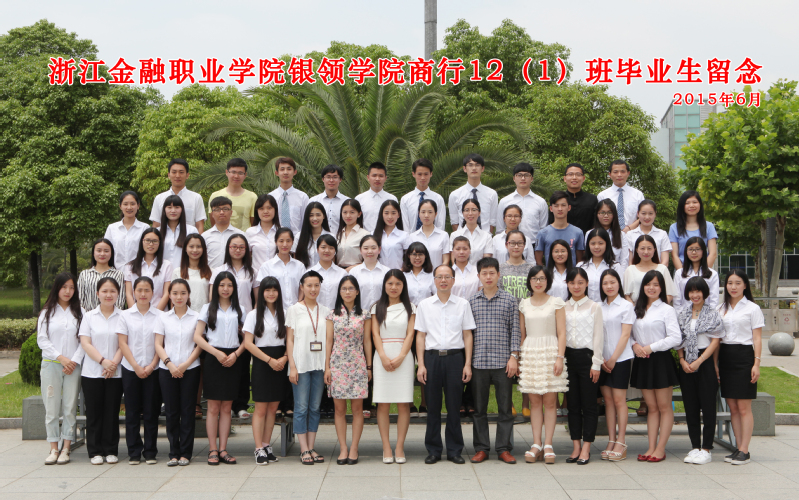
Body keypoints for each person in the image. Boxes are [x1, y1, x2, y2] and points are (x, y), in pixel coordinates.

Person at [415, 264, 476, 464]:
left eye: (447, 277)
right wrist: (421, 364)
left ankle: (454, 450)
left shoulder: (462, 304)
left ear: (453, 280)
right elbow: (420, 336)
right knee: (432, 407)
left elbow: (468, 335)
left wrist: (467, 364)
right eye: (439, 277)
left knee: (453, 406)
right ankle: (433, 450)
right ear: (434, 280)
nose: (443, 280)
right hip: (431, 358)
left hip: (455, 358)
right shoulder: (424, 305)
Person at [468, 258, 520, 464]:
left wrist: (514, 357)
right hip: (479, 361)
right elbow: (468, 334)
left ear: (499, 274)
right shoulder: (472, 301)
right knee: (479, 409)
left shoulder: (509, 300)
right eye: (484, 273)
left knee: (505, 408)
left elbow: (515, 330)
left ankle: (503, 448)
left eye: (492, 273)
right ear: (478, 276)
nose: (488, 277)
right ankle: (481, 448)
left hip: (503, 362)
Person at [193, 272, 246, 465]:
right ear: (216, 287)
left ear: (234, 288)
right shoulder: (207, 308)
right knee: (213, 407)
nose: (225, 289)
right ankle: (212, 449)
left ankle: (223, 449)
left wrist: (236, 355)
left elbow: (248, 339)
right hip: (213, 358)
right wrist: (215, 353)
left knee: (227, 407)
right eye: (222, 285)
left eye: (229, 285)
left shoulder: (240, 309)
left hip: (233, 358)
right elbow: (197, 336)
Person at [630, 270, 681, 462]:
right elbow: (628, 333)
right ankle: (651, 447)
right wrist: (634, 345)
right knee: (651, 407)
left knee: (664, 406)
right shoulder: (637, 308)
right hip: (642, 361)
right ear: (643, 286)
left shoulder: (667, 310)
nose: (651, 288)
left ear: (662, 288)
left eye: (656, 285)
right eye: (648, 284)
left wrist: (651, 347)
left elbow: (675, 338)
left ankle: (661, 448)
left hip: (660, 361)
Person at [518, 266, 567, 464]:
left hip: (550, 352)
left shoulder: (556, 302)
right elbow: (522, 335)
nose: (538, 282)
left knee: (550, 402)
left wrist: (559, 357)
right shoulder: (523, 304)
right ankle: (536, 443)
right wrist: (521, 358)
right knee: (534, 402)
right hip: (531, 353)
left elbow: (562, 333)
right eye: (534, 279)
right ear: (529, 281)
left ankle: (548, 444)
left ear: (548, 281)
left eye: (542, 278)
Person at [37, 272, 85, 466]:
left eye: (71, 287)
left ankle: (66, 448)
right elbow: (42, 339)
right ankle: (53, 448)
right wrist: (61, 358)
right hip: (52, 365)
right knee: (51, 408)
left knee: (70, 407)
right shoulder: (47, 312)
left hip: (73, 366)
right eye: (64, 287)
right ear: (57, 288)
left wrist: (73, 361)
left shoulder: (80, 312)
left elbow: (84, 340)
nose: (68, 291)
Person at [676, 277, 725, 465]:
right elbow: (678, 340)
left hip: (704, 361)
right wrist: (682, 360)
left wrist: (700, 361)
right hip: (686, 363)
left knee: (708, 406)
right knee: (691, 407)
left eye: (698, 291)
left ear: (705, 292)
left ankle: (706, 448)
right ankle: (695, 446)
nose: (694, 295)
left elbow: (715, 340)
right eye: (691, 291)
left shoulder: (713, 314)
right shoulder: (683, 314)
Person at [718, 270, 764, 466]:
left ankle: (745, 450)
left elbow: (757, 338)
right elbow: (717, 338)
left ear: (745, 285)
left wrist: (756, 363)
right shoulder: (721, 308)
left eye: (738, 283)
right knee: (733, 407)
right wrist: (716, 365)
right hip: (725, 356)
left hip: (744, 357)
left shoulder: (753, 308)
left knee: (744, 407)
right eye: (730, 283)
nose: (733, 287)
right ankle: (738, 448)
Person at [155, 279, 202, 467]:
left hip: (190, 369)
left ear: (188, 294)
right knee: (171, 412)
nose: (179, 297)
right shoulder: (163, 317)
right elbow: (158, 344)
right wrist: (170, 364)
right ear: (169, 295)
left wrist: (185, 364)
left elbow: (199, 344)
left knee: (188, 411)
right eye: (175, 293)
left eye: (183, 293)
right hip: (167, 370)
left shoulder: (196, 317)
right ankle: (173, 453)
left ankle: (186, 453)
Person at [325, 276, 372, 465]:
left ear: (357, 292)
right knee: (339, 409)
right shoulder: (332, 314)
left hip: (358, 364)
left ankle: (354, 447)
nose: (347, 292)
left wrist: (369, 366)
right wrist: (327, 367)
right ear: (339, 292)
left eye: (351, 288)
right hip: (337, 364)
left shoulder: (364, 314)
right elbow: (329, 341)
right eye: (344, 288)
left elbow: (367, 341)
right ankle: (343, 447)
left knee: (358, 409)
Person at [209, 235, 256, 418]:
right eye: (234, 246)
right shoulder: (219, 270)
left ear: (246, 250)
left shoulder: (252, 271)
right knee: (223, 366)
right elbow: (212, 297)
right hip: (223, 322)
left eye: (241, 247)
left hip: (245, 323)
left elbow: (256, 299)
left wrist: (250, 323)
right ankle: (224, 404)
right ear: (228, 248)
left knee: (242, 365)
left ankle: (241, 405)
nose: (237, 250)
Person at [117, 276, 162, 465]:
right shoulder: (125, 315)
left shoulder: (160, 316)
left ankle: (150, 451)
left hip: (154, 369)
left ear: (153, 292)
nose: (143, 294)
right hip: (130, 369)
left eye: (147, 290)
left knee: (152, 412)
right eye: (139, 290)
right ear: (133, 292)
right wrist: (135, 366)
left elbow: (161, 344)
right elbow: (122, 343)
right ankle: (134, 452)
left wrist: (151, 366)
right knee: (132, 412)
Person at [243, 277, 289, 465]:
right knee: (261, 408)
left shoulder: (285, 313)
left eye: (274, 290)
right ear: (261, 293)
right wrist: (269, 360)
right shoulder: (253, 315)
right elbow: (248, 343)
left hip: (281, 361)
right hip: (263, 363)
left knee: (273, 408)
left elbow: (290, 340)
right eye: (267, 290)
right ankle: (258, 448)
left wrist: (284, 358)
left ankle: (267, 445)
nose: (271, 293)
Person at [370, 271, 415, 464]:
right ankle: (386, 446)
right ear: (384, 285)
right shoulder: (376, 307)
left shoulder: (411, 307)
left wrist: (402, 356)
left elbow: (411, 334)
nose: (394, 287)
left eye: (398, 283)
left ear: (403, 286)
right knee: (383, 403)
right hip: (382, 357)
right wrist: (382, 356)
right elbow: (375, 334)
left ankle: (399, 447)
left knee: (404, 403)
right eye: (390, 283)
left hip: (403, 356)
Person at [286, 271, 330, 465]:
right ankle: (303, 449)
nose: (313, 289)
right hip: (301, 365)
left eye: (316, 285)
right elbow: (289, 339)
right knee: (301, 407)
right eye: (309, 285)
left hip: (319, 365)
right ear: (302, 287)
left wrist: (327, 367)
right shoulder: (294, 310)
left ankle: (311, 447)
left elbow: (329, 341)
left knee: (314, 407)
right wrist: (292, 366)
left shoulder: (326, 311)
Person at [79, 277, 124, 465]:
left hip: (116, 372)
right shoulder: (89, 316)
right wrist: (103, 362)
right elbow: (85, 343)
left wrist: (113, 364)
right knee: (94, 412)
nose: (108, 295)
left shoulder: (123, 316)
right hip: (92, 372)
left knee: (112, 412)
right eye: (104, 291)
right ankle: (95, 451)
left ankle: (111, 450)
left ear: (118, 294)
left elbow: (124, 343)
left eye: (112, 291)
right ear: (97, 293)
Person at [563, 268, 604, 465]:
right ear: (567, 284)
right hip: (568, 358)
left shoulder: (594, 307)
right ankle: (576, 446)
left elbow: (598, 337)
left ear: (587, 284)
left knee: (588, 405)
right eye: (572, 283)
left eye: (580, 282)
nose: (576, 286)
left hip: (588, 359)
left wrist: (596, 363)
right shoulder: (562, 307)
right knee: (572, 405)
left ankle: (587, 447)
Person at [598, 269, 635, 462]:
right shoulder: (599, 306)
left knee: (620, 400)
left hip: (620, 359)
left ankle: (621, 441)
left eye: (612, 282)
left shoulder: (626, 306)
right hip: (602, 360)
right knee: (608, 401)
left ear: (619, 284)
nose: (609, 286)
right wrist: (602, 359)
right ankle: (611, 440)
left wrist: (613, 359)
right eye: (605, 283)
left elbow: (626, 334)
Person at [150, 159, 206, 234]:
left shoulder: (196, 198)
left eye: (181, 172)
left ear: (187, 175)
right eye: (174, 172)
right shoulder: (159, 198)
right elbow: (156, 225)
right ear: (169, 175)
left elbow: (200, 226)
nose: (177, 176)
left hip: (189, 240)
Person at [497, 162, 548, 244]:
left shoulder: (541, 202)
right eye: (519, 175)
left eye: (526, 175)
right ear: (514, 178)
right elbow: (500, 229)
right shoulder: (504, 201)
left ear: (532, 178)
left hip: (534, 244)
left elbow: (543, 229)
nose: (523, 178)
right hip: (510, 245)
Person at [255, 228, 305, 310]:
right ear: (276, 242)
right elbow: (262, 290)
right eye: (281, 241)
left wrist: (299, 303)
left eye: (288, 241)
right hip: (274, 311)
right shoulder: (266, 266)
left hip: (296, 310)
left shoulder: (299, 266)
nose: (285, 244)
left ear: (292, 242)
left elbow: (303, 287)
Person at [448, 153, 498, 232]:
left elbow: (492, 222)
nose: (474, 168)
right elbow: (454, 222)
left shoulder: (492, 194)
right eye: (470, 165)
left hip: (485, 237)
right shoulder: (455, 195)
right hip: (463, 238)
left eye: (477, 165)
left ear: (482, 168)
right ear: (464, 169)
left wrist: (485, 236)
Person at [124, 228, 172, 310]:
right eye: (147, 240)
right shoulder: (130, 266)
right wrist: (134, 313)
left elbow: (166, 294)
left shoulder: (166, 265)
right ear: (142, 242)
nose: (151, 244)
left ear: (160, 243)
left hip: (159, 312)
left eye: (155, 241)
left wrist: (156, 314)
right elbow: (128, 293)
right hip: (136, 313)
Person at [670, 190, 719, 268]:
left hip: (704, 271)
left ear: (700, 204)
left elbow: (713, 254)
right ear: (682, 206)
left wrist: (703, 272)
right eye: (687, 203)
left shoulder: (709, 226)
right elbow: (674, 255)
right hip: (682, 271)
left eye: (695, 202)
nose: (691, 205)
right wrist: (682, 273)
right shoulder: (674, 228)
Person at [536, 191, 585, 266]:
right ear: (551, 208)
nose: (560, 209)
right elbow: (538, 262)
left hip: (571, 272)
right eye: (556, 206)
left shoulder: (578, 232)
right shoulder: (542, 233)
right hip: (551, 273)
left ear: (569, 207)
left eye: (563, 205)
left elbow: (580, 261)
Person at [624, 235, 677, 303]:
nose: (646, 252)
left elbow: (669, 294)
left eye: (649, 248)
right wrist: (636, 309)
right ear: (637, 250)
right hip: (636, 308)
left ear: (654, 250)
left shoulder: (662, 269)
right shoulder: (630, 270)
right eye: (642, 248)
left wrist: (658, 307)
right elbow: (626, 296)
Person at [208, 158, 257, 231]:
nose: (236, 176)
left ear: (245, 175)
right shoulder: (215, 196)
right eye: (233, 172)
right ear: (227, 172)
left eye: (240, 173)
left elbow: (254, 224)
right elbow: (213, 223)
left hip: (244, 238)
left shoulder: (252, 197)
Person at [77, 238, 126, 310]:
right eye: (99, 250)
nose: (102, 254)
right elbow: (79, 299)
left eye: (106, 251)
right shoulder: (84, 274)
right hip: (88, 315)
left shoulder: (119, 274)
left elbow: (120, 300)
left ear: (111, 253)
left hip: (113, 316)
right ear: (93, 253)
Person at [596, 159, 645, 232]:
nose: (619, 175)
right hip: (609, 234)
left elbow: (643, 216)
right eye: (615, 172)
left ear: (628, 173)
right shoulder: (602, 195)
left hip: (633, 233)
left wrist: (628, 228)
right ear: (610, 174)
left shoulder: (638, 194)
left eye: (623, 171)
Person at [105, 191, 149, 270]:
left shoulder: (145, 228)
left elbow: (149, 252)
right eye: (125, 204)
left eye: (132, 204)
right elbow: (106, 250)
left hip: (138, 272)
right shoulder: (112, 228)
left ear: (138, 206)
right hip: (115, 272)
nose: (129, 207)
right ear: (120, 206)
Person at [673, 237, 720, 310]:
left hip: (706, 314)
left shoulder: (712, 274)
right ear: (686, 251)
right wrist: (682, 315)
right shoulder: (679, 273)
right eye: (690, 249)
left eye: (697, 249)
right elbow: (677, 300)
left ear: (703, 251)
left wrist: (707, 315)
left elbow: (714, 300)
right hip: (684, 314)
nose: (694, 252)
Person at [549, 163, 597, 233]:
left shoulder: (592, 200)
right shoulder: (558, 199)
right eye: (570, 174)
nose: (574, 177)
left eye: (578, 174)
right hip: (561, 238)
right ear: (565, 178)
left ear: (583, 178)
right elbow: (551, 222)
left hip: (586, 239)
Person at [400, 158, 446, 231]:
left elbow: (440, 225)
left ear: (431, 174)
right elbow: (405, 226)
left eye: (426, 174)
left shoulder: (438, 199)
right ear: (413, 174)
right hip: (411, 238)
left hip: (433, 237)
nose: (423, 178)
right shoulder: (405, 199)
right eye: (419, 174)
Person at [172, 234, 213, 313]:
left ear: (203, 249)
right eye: (191, 246)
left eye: (198, 246)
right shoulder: (177, 272)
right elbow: (173, 298)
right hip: (183, 315)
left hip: (204, 315)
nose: (195, 250)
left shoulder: (212, 272)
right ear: (185, 248)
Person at [269, 157, 310, 237]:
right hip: (275, 239)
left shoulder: (303, 197)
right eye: (282, 169)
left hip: (297, 240)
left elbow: (306, 222)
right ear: (276, 173)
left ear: (295, 172)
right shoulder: (270, 197)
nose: (285, 172)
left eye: (289, 169)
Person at [579, 228, 622, 303]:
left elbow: (620, 290)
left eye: (600, 243)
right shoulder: (581, 266)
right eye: (593, 243)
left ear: (607, 244)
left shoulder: (615, 267)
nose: (596, 247)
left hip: (607, 308)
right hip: (585, 307)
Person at [347, 235, 390, 310]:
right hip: (360, 313)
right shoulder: (353, 272)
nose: (370, 251)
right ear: (360, 250)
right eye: (366, 248)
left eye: (373, 248)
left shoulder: (387, 271)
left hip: (383, 312)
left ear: (379, 249)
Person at [203, 196, 245, 269]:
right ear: (212, 214)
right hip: (211, 274)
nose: (221, 212)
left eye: (225, 209)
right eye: (217, 209)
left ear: (231, 213)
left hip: (234, 274)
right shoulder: (205, 236)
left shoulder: (241, 235)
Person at [625, 200, 671, 265]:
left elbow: (665, 261)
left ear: (655, 214)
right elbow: (629, 261)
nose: (647, 217)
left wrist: (657, 271)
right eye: (643, 213)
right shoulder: (630, 235)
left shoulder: (662, 234)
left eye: (650, 213)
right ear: (638, 214)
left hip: (658, 271)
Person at [159, 195, 199, 270]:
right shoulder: (158, 232)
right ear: (164, 210)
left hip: (184, 272)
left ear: (182, 210)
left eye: (177, 207)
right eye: (169, 207)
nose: (173, 210)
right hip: (162, 273)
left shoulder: (191, 231)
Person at [354, 162, 397, 232]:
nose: (377, 179)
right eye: (374, 175)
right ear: (368, 177)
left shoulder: (392, 199)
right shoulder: (359, 199)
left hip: (386, 237)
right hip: (365, 237)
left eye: (381, 176)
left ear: (385, 178)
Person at [589, 199, 630, 273]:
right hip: (594, 272)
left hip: (615, 273)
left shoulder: (621, 235)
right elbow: (588, 256)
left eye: (609, 212)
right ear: (597, 214)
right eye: (602, 212)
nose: (606, 216)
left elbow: (624, 260)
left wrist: (620, 276)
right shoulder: (590, 233)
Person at [309, 235, 347, 310]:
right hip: (316, 314)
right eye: (323, 247)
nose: (327, 250)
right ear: (317, 249)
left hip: (337, 314)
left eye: (331, 248)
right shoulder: (310, 273)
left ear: (335, 251)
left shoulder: (342, 273)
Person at [449, 199, 493, 265]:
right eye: (467, 210)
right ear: (462, 213)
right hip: (460, 271)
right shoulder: (454, 235)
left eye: (474, 210)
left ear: (479, 213)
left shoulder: (487, 236)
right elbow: (454, 261)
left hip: (480, 271)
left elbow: (486, 261)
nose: (470, 213)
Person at [409, 199, 450, 268]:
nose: (426, 215)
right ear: (419, 214)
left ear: (435, 214)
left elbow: (446, 260)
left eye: (430, 212)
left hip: (437, 274)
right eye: (423, 212)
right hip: (418, 274)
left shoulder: (443, 235)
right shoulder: (412, 237)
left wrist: (439, 273)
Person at [310, 164, 349, 235]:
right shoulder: (313, 201)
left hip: (341, 240)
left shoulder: (347, 202)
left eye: (335, 177)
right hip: (319, 240)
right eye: (328, 177)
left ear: (340, 179)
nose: (331, 180)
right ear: (323, 179)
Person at [246, 194, 280, 272]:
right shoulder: (250, 232)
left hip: (278, 275)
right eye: (261, 208)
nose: (265, 211)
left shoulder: (282, 231)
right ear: (257, 211)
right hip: (257, 276)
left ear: (275, 209)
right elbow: (246, 258)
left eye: (269, 208)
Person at [374, 200, 411, 270]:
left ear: (398, 215)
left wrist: (402, 270)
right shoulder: (373, 234)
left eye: (393, 213)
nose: (390, 217)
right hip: (378, 273)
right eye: (386, 213)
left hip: (398, 273)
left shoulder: (404, 235)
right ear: (382, 214)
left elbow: (410, 257)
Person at [499, 230, 534, 303]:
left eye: (520, 243)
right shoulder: (500, 269)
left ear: (524, 245)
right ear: (506, 245)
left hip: (527, 308)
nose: (516, 247)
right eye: (512, 243)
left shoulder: (532, 269)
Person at [335, 199, 371, 269]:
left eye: (352, 212)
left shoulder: (365, 234)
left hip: (358, 271)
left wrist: (351, 268)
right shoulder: (338, 235)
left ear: (359, 214)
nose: (348, 216)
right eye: (345, 212)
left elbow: (370, 259)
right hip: (339, 271)